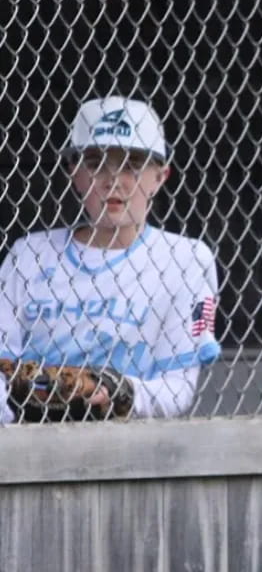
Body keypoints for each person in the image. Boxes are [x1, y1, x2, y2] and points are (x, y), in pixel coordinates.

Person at [0, 96, 221, 422]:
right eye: (95, 163)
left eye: (131, 165)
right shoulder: (30, 254)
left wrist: (117, 390)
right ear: (74, 173)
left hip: (132, 446)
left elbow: (178, 388)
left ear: (160, 176)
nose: (112, 181)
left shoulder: (185, 260)